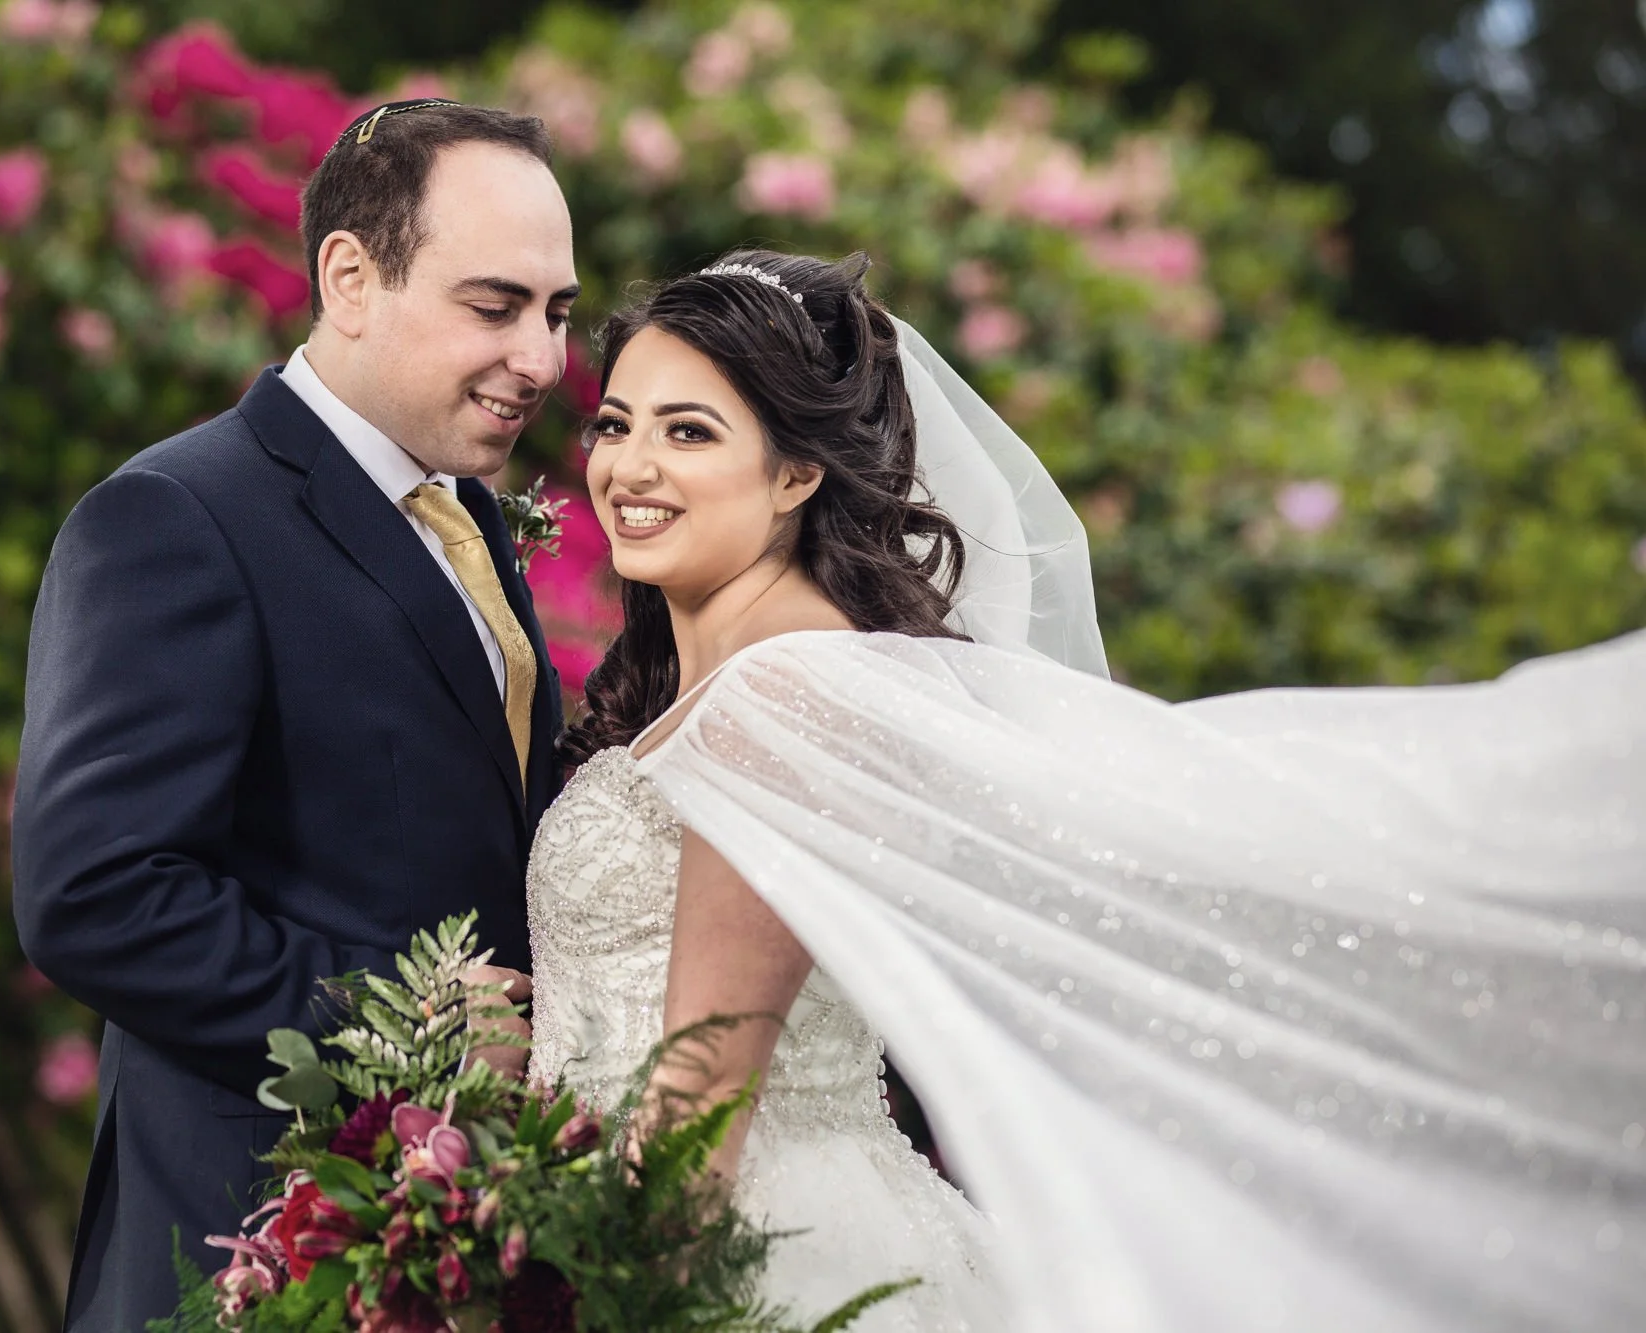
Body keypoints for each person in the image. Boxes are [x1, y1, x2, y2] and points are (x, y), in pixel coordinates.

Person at [525, 248, 1646, 1332]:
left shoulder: (778, 701)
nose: (630, 467)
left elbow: (697, 1112)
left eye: (689, 431)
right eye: (616, 424)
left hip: (741, 1262)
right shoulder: (764, 679)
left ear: (796, 472)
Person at [12, 101, 578, 1332]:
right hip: (249, 1245)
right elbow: (95, 896)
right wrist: (408, 1026)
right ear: (349, 278)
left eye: (555, 311)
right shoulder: (175, 517)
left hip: (457, 1249)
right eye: (495, 307)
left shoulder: (467, 517)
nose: (540, 359)